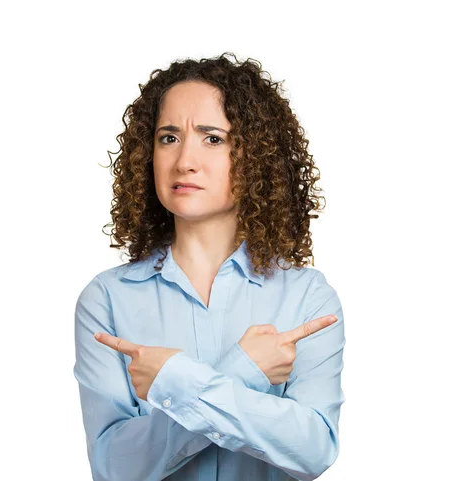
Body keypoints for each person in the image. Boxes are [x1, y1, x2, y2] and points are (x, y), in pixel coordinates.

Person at [73, 52, 346, 481]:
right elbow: (114, 467)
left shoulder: (307, 297)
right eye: (168, 138)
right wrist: (243, 371)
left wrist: (177, 382)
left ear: (255, 156)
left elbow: (313, 450)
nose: (184, 161)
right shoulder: (107, 300)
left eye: (212, 138)